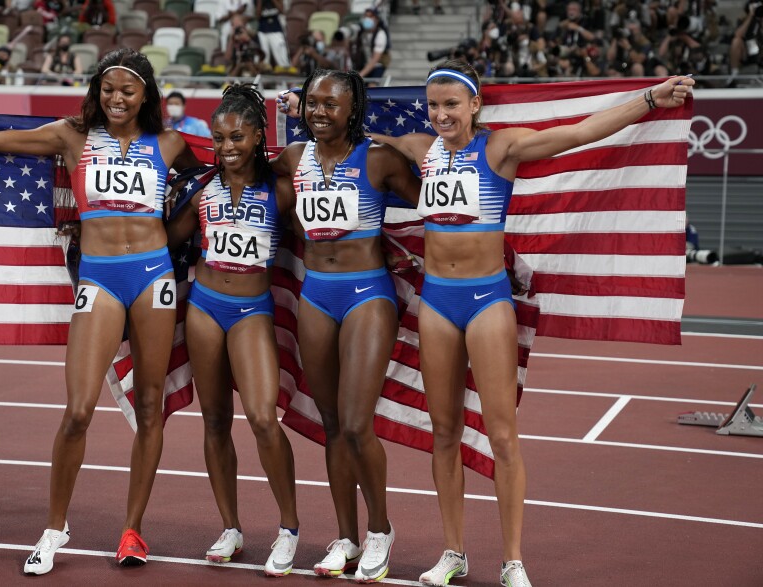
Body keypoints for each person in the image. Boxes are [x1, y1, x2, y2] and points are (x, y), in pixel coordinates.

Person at [367, 61, 693, 587]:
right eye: (433, 105)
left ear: (475, 104)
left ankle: (513, 560)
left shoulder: (501, 149)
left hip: (485, 301)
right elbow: (355, 128)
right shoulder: (420, 149)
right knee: (445, 432)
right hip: (436, 303)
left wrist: (650, 100)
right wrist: (290, 109)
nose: (441, 113)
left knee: (501, 434)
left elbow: (582, 132)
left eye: (452, 104)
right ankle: (453, 552)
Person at [0, 48, 201, 575]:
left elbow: (223, 174)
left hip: (155, 279)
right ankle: (55, 526)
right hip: (100, 278)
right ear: (96, 91)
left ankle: (133, 530)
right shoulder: (71, 136)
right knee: (78, 411)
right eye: (108, 88)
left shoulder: (170, 144)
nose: (116, 98)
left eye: (127, 90)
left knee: (150, 406)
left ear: (147, 94)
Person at [271, 69, 421, 583]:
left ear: (352, 109)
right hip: (316, 294)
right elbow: (260, 197)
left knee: (358, 425)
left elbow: (436, 197)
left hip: (367, 294)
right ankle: (346, 536)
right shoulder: (294, 160)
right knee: (332, 424)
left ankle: (380, 529)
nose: (318, 112)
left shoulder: (378, 160)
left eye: (330, 104)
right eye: (312, 103)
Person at [165, 83, 300, 577]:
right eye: (219, 139)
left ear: (258, 136)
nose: (226, 149)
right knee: (215, 421)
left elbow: (327, 240)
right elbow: (168, 238)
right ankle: (231, 526)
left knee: (264, 419)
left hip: (251, 311)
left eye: (237, 138)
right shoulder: (203, 187)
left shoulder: (280, 189)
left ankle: (289, 528)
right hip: (204, 307)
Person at [357, 8, 391, 85]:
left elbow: (375, 60)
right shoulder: (361, 34)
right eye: (366, 16)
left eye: (371, 16)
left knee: (372, 86)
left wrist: (361, 74)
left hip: (377, 65)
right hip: (364, 64)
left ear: (377, 19)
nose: (367, 18)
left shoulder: (380, 34)